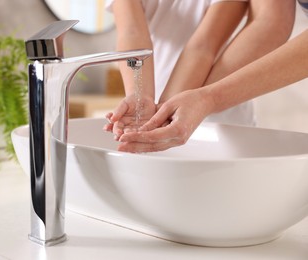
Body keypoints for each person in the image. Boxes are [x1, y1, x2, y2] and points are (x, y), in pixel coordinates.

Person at [116, 1, 308, 153]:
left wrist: (166, 110)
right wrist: (139, 94)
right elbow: (131, 33)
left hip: (215, 114)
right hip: (188, 105)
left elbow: (202, 46)